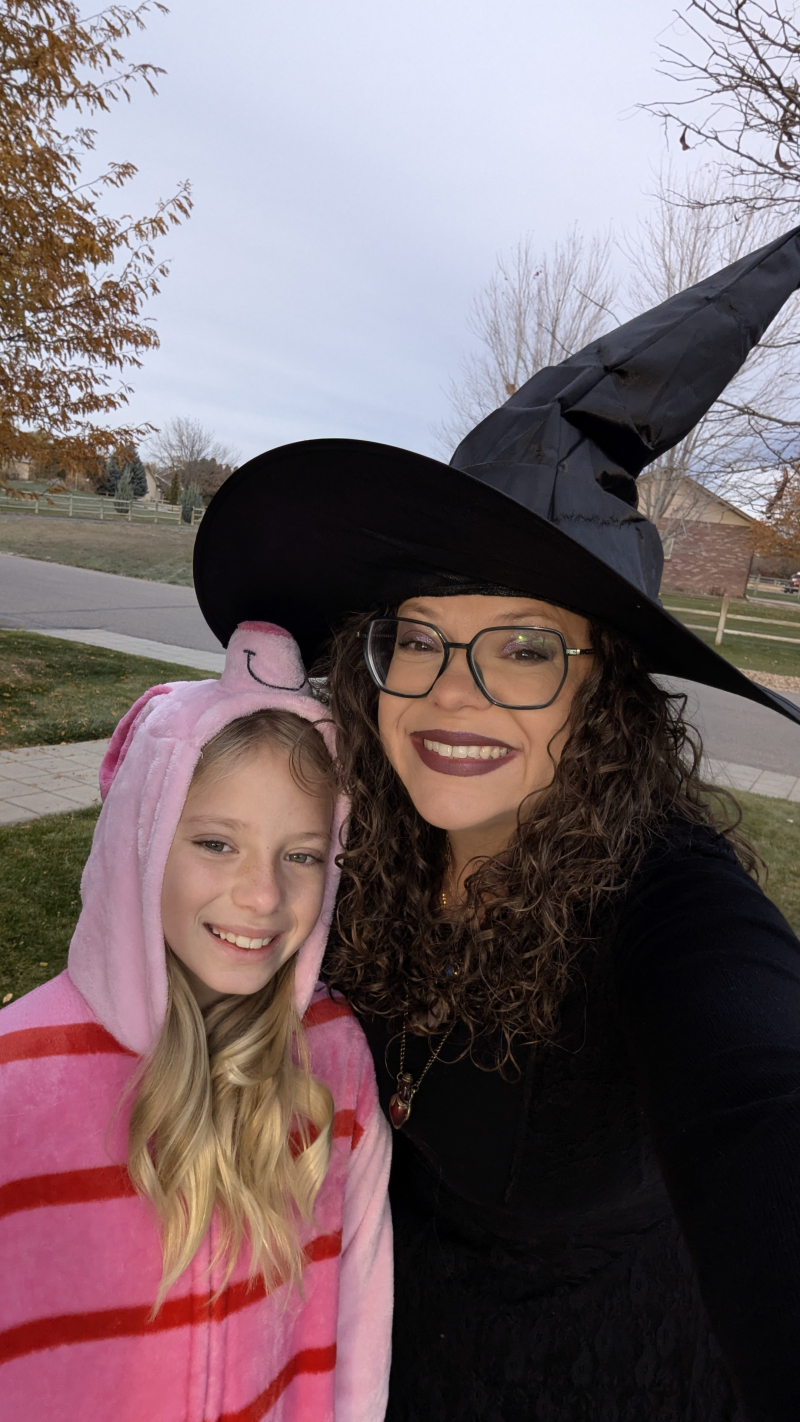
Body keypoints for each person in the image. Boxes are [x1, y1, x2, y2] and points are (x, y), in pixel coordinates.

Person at [194, 230, 800, 1419]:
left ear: (601, 688)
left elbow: (754, 1086)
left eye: (523, 647)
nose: (449, 695)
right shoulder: (355, 840)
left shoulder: (662, 897)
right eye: (417, 637)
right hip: (376, 1353)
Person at [0, 621, 392, 1422]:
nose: (263, 895)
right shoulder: (16, 1080)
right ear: (138, 839)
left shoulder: (335, 1062)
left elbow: (361, 1319)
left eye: (302, 854)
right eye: (217, 843)